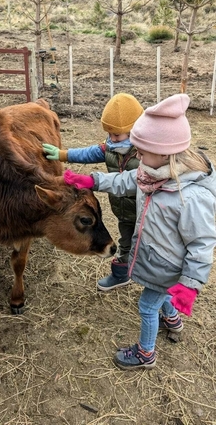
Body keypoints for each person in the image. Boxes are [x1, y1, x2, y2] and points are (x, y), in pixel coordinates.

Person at [62, 93, 216, 370]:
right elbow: (123, 181)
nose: (138, 157)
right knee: (160, 294)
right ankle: (172, 319)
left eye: (142, 152)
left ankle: (146, 354)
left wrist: (190, 284)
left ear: (166, 151)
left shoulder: (190, 197)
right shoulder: (152, 172)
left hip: (167, 264)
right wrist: (92, 180)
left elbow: (201, 243)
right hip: (154, 258)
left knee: (147, 305)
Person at [43, 93, 144, 291]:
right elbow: (89, 153)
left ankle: (163, 296)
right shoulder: (112, 147)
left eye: (116, 134)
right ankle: (121, 275)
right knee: (125, 242)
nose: (112, 138)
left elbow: (131, 180)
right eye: (109, 133)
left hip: (147, 214)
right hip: (124, 212)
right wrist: (62, 154)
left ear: (135, 130)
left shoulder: (147, 154)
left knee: (151, 251)